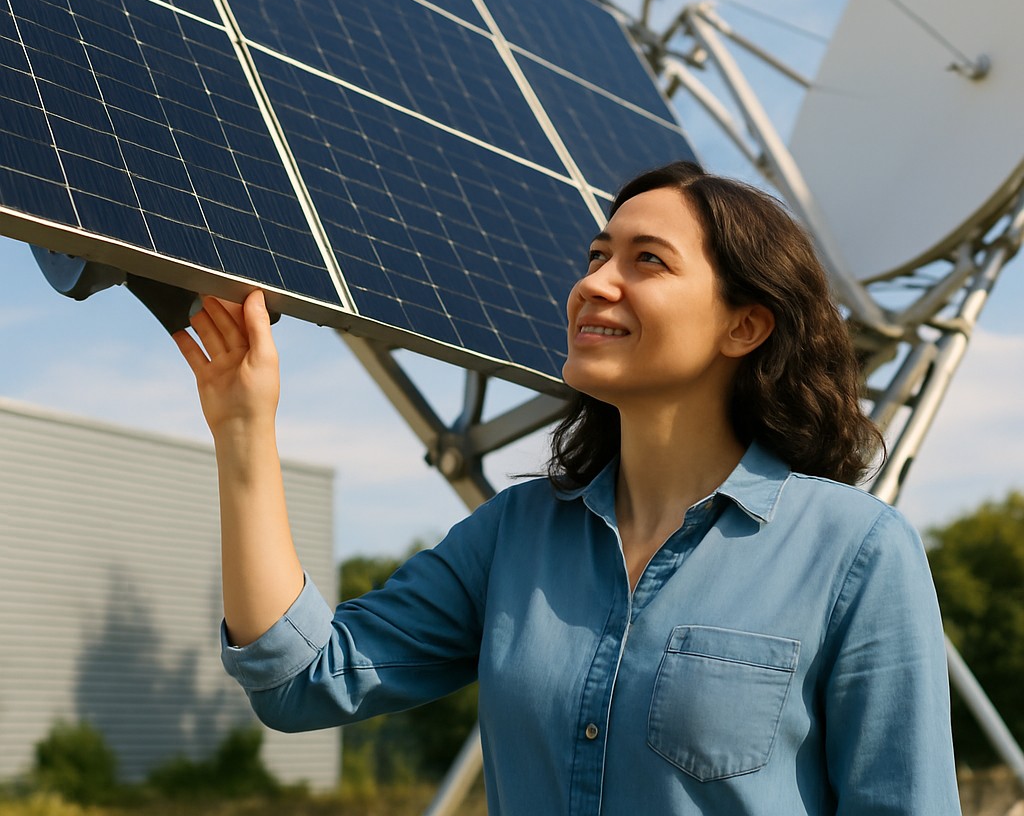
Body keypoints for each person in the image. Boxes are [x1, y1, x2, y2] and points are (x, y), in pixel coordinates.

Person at [174, 160, 962, 815]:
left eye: (645, 260)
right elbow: (301, 680)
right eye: (595, 257)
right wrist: (244, 430)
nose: (595, 284)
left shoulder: (855, 552)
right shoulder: (513, 535)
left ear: (745, 327)